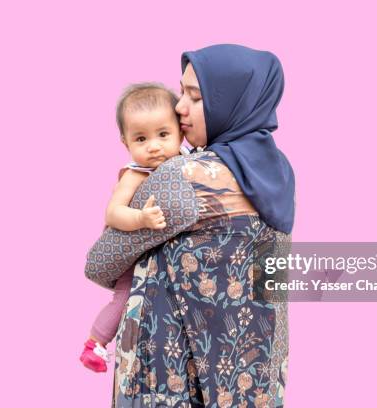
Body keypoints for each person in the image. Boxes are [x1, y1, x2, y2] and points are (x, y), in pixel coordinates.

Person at [85, 44, 295, 407]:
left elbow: (100, 263)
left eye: (194, 97)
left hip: (174, 376)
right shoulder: (278, 176)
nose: (178, 106)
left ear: (229, 102)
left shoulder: (183, 176)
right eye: (182, 92)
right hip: (254, 373)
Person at [80, 83, 188, 373]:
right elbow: (113, 213)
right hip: (132, 251)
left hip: (163, 254)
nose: (153, 146)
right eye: (141, 138)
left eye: (163, 135)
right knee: (124, 297)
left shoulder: (186, 162)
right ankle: (95, 343)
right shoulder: (135, 174)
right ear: (126, 143)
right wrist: (141, 218)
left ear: (180, 132)